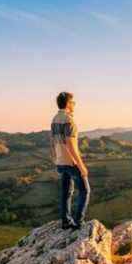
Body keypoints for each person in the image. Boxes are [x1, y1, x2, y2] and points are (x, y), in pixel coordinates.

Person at [50, 91, 89, 230]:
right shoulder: (69, 120)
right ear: (68, 104)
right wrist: (81, 165)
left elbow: (53, 142)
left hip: (60, 161)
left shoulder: (54, 119)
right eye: (73, 102)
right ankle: (79, 222)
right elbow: (71, 145)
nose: (74, 104)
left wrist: (55, 159)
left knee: (66, 193)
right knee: (85, 191)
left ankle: (66, 221)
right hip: (71, 162)